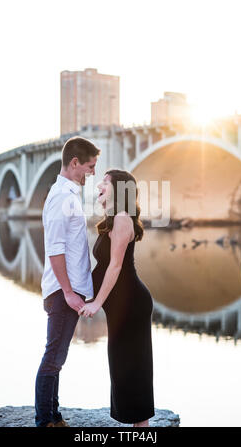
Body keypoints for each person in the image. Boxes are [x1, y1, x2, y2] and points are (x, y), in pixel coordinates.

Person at [79, 169, 155, 427]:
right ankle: (139, 427)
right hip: (121, 306)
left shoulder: (122, 218)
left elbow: (115, 267)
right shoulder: (113, 219)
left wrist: (97, 302)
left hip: (131, 305)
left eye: (105, 182)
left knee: (132, 368)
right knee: (124, 367)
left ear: (120, 190)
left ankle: (142, 429)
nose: (99, 184)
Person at [35, 136, 100, 427]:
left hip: (67, 291)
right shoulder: (62, 196)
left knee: (57, 357)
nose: (93, 173)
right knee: (53, 357)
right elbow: (55, 249)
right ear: (75, 163)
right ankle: (45, 421)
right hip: (63, 293)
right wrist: (69, 293)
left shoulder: (68, 194)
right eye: (90, 166)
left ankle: (54, 416)